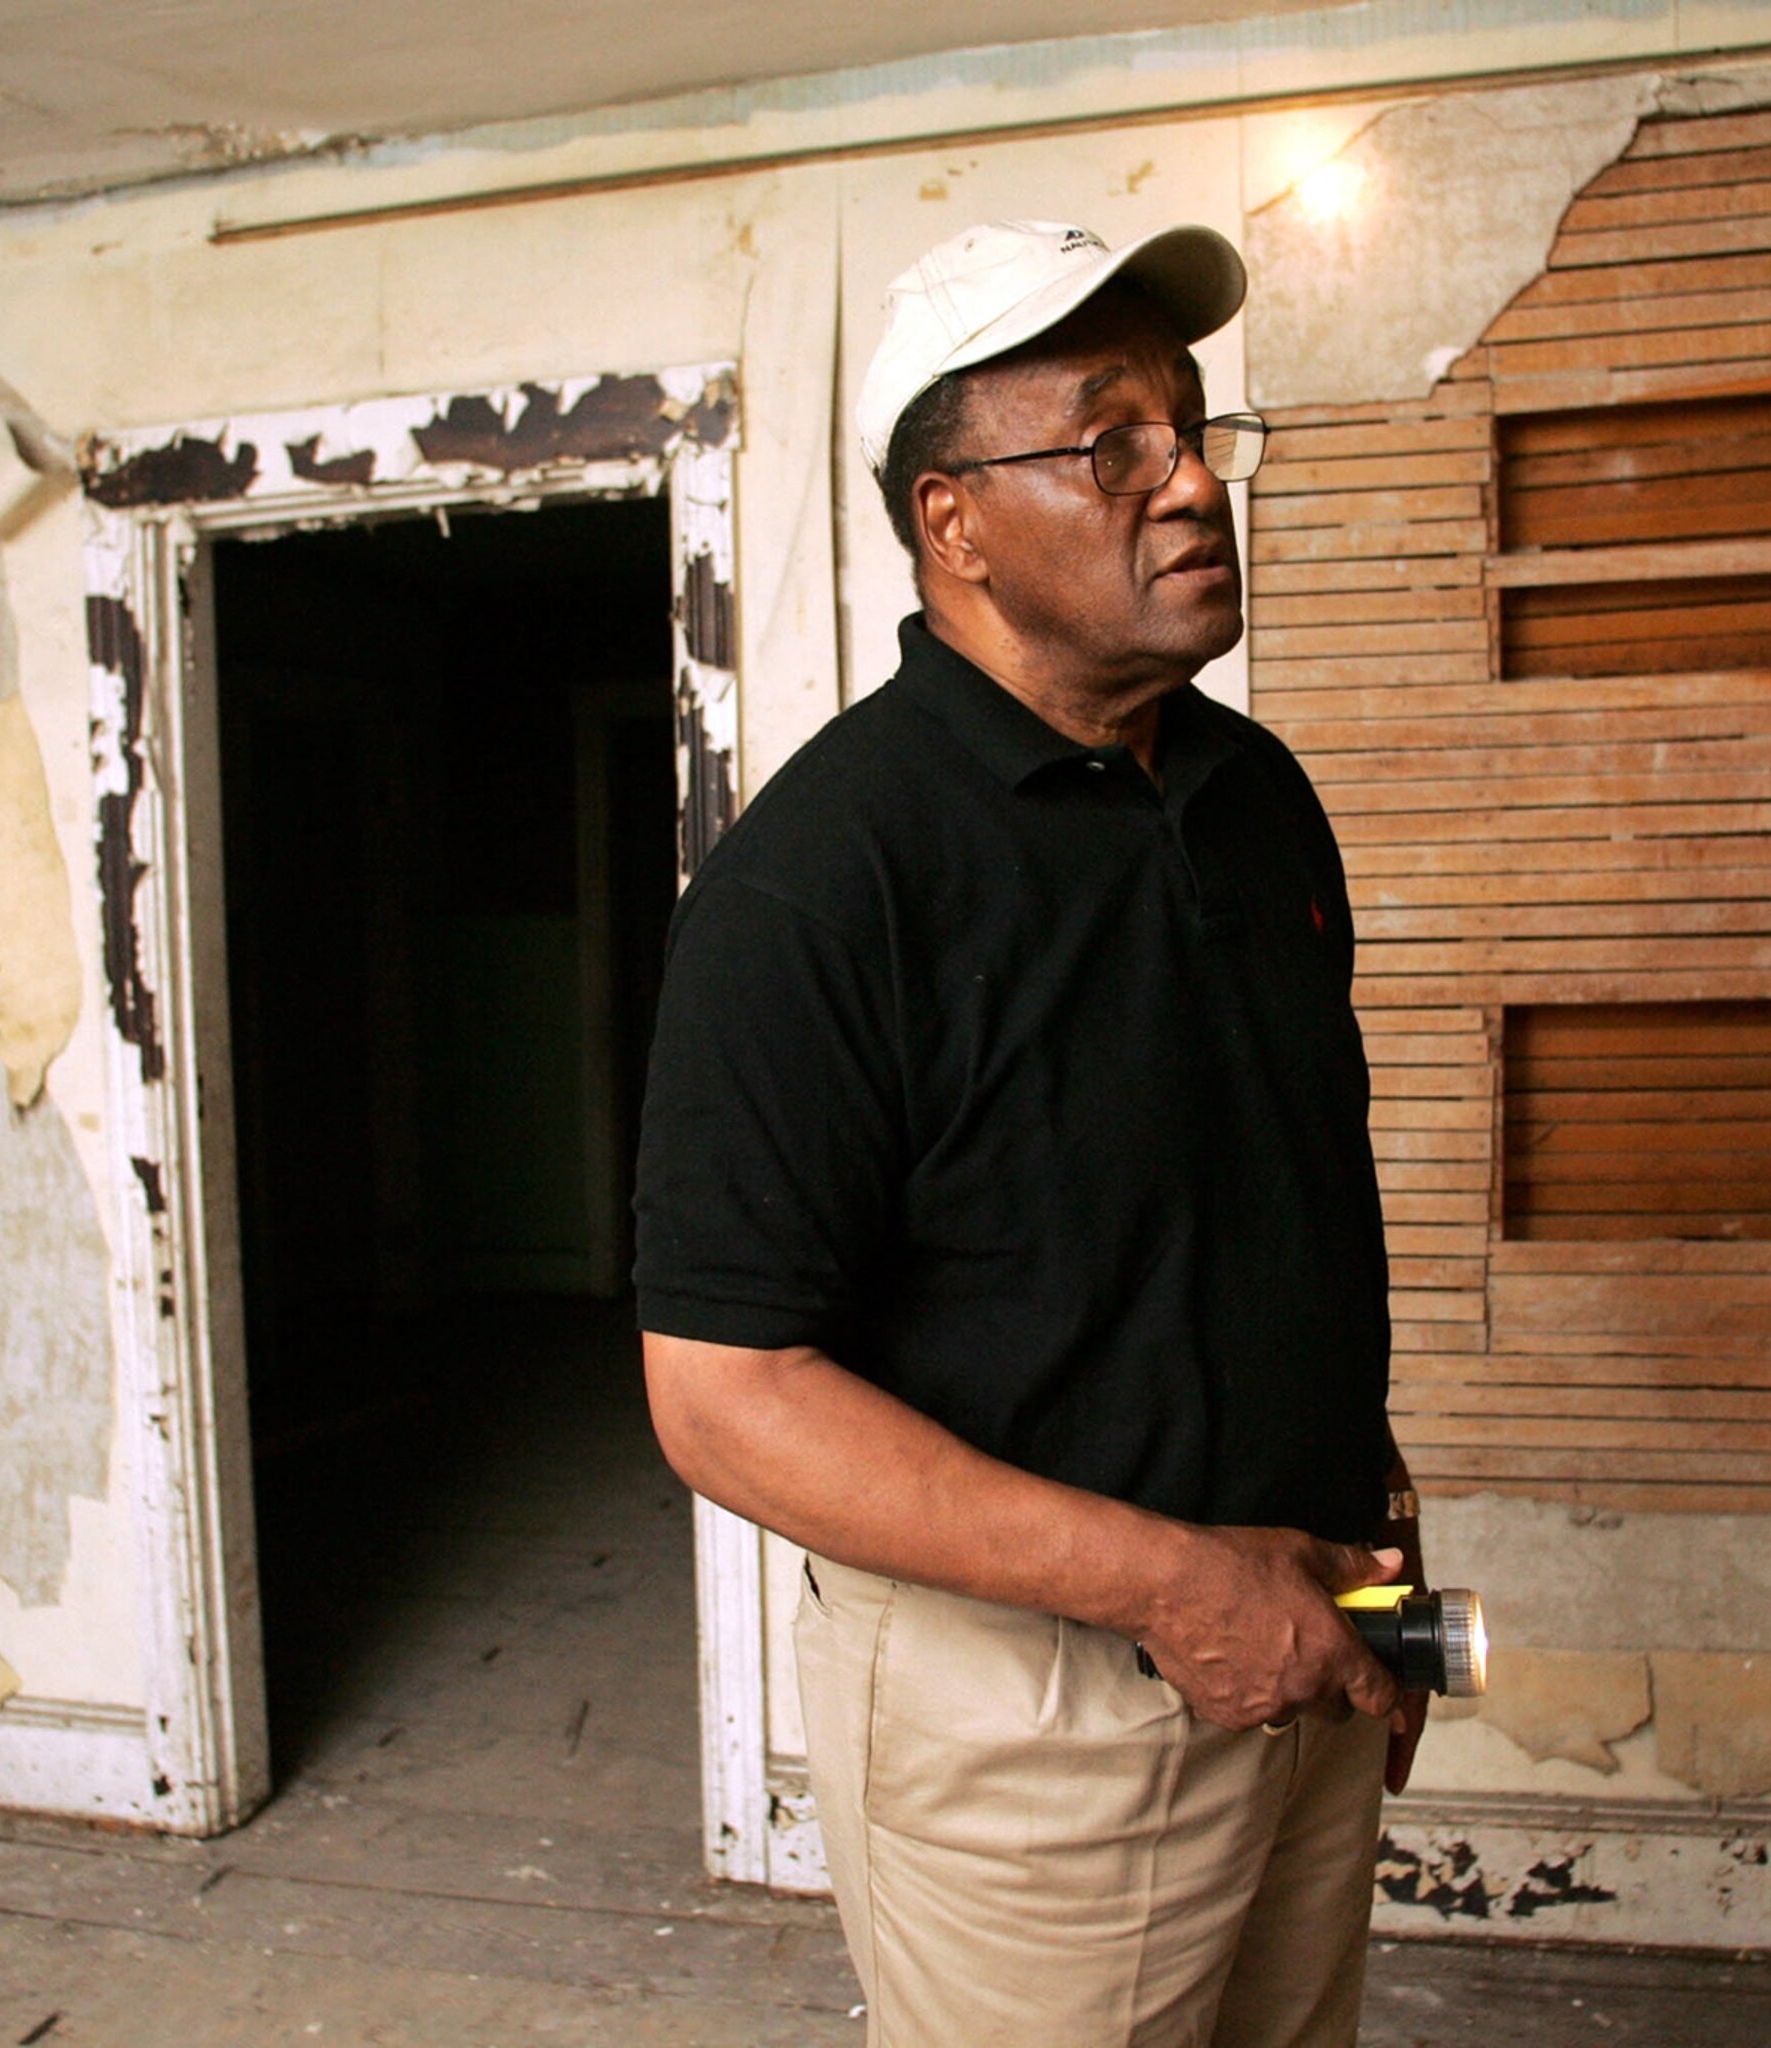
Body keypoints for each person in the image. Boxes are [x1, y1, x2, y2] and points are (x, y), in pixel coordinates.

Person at [633, 217, 1426, 2047]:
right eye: (1112, 443)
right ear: (954, 521)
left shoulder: (1254, 796)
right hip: (1037, 1716)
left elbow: (1272, 1195)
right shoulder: (824, 887)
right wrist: (1173, 1580)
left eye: (1196, 426)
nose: (1190, 482)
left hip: (1305, 1633)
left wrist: (1363, 1525)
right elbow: (723, 1395)